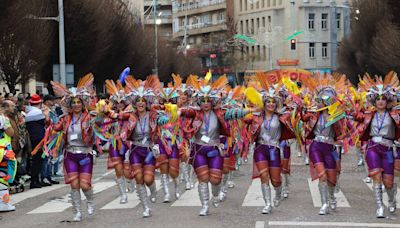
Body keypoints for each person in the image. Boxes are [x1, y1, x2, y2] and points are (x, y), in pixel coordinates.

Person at [180, 75, 251, 216]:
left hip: (214, 149)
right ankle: (205, 205)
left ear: (213, 101)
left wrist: (248, 111)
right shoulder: (195, 113)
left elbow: (233, 113)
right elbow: (185, 111)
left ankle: (216, 194)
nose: (206, 103)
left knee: (215, 179)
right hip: (198, 149)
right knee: (203, 179)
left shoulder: (220, 113)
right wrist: (177, 110)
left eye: (208, 100)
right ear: (199, 101)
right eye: (203, 100)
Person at [49, 73, 103, 221]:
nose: (76, 105)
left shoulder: (89, 117)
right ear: (69, 105)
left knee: (85, 185)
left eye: (78, 102)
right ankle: (77, 212)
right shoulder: (66, 119)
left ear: (83, 103)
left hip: (85, 154)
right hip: (70, 155)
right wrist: (53, 121)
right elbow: (56, 129)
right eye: (73, 102)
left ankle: (90, 202)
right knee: (74, 185)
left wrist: (102, 114)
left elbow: (99, 123)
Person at [353, 72, 399, 218]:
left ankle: (391, 200)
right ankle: (379, 206)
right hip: (373, 148)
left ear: (387, 101)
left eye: (383, 99)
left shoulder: (394, 114)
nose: (380, 102)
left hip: (388, 149)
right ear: (374, 101)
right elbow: (354, 115)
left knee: (389, 182)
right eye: (377, 99)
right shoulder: (368, 115)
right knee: (376, 177)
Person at [301, 74, 348, 215]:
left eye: (328, 99)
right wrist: (301, 109)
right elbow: (303, 118)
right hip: (316, 146)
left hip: (330, 148)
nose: (325, 101)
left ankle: (332, 197)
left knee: (332, 179)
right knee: (322, 176)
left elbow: (344, 131)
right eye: (322, 99)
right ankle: (324, 204)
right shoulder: (314, 114)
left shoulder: (337, 115)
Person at [25, 94, 49, 189]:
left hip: (33, 138)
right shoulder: (38, 113)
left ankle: (35, 180)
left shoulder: (29, 113)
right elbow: (47, 121)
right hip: (39, 139)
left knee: (36, 160)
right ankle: (35, 181)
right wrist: (46, 113)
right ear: (40, 102)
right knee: (38, 161)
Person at [0, 103, 17, 211]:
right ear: (5, 108)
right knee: (3, 178)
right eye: (11, 106)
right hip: (3, 151)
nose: (13, 107)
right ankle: (4, 204)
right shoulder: (3, 118)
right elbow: (11, 133)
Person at [41, 95, 59, 185]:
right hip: (47, 137)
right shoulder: (44, 110)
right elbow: (47, 122)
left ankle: (49, 176)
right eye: (52, 100)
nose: (53, 102)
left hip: (54, 136)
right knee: (46, 157)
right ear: (47, 101)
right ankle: (44, 177)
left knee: (51, 157)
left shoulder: (52, 109)